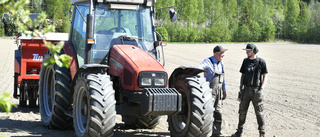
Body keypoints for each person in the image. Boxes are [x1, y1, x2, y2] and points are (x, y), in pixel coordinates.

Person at [232, 44, 268, 137]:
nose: (246, 52)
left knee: (259, 113)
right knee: (242, 112)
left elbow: (265, 76)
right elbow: (243, 75)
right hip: (246, 90)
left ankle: (262, 133)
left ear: (254, 51)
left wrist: (261, 89)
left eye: (248, 50)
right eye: (246, 50)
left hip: (256, 90)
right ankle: (239, 132)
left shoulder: (261, 62)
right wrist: (240, 90)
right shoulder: (245, 61)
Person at [198, 45, 227, 137]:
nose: (223, 55)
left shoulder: (221, 63)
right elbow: (199, 68)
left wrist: (224, 90)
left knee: (218, 112)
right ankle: (204, 132)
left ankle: (217, 132)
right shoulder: (208, 61)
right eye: (222, 53)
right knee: (208, 112)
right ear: (216, 53)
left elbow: (223, 78)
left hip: (218, 92)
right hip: (210, 92)